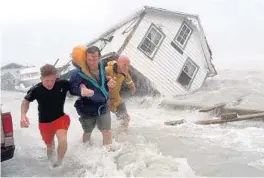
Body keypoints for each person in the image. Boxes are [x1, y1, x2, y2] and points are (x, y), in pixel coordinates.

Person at [20, 64, 71, 167]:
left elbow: (77, 84)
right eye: (47, 81)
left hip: (60, 118)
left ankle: (59, 162)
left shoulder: (62, 84)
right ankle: (51, 162)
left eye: (52, 80)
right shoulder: (36, 89)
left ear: (56, 77)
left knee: (62, 140)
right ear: (41, 78)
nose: (50, 84)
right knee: (50, 146)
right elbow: (26, 101)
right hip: (44, 122)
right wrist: (23, 115)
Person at [69, 45, 116, 145]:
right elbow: (72, 89)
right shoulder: (77, 73)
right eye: (89, 59)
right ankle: (85, 148)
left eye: (94, 59)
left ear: (99, 57)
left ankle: (108, 156)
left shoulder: (102, 65)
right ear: (86, 58)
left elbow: (101, 78)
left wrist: (110, 79)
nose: (91, 63)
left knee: (107, 132)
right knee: (88, 132)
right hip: (87, 109)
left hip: (103, 106)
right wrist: (81, 91)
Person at [105, 55, 136, 128]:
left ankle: (122, 135)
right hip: (105, 99)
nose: (126, 67)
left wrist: (132, 87)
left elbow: (129, 80)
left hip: (116, 99)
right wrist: (108, 78)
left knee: (126, 119)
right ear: (118, 62)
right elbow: (98, 76)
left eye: (128, 65)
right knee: (103, 122)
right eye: (124, 64)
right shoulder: (108, 69)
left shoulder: (125, 72)